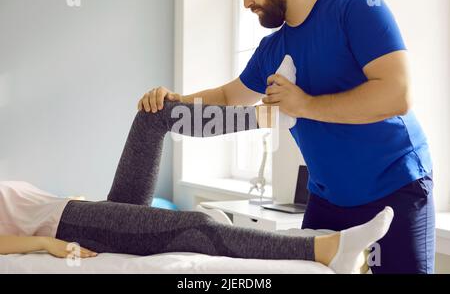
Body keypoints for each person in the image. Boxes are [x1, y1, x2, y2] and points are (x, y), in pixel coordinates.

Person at [138, 0, 434, 274]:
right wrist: (172, 102)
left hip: (395, 188)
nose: (245, 2)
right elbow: (229, 96)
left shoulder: (358, 9)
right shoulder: (272, 49)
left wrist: (304, 105)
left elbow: (398, 94)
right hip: (328, 199)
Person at [0, 101, 394, 274]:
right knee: (192, 226)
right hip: (68, 228)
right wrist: (47, 244)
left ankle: (269, 115)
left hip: (76, 213)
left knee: (152, 116)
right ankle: (327, 250)